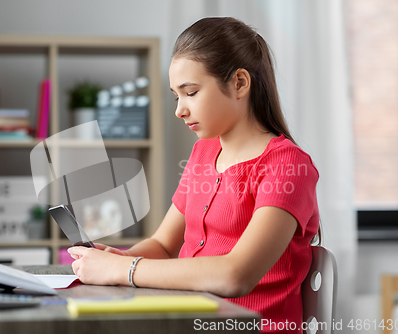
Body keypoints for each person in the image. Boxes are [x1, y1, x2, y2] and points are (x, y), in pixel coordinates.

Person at [68, 17, 320, 333]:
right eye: (177, 95)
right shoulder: (204, 153)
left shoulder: (287, 166)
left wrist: (124, 269)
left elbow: (235, 276)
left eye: (191, 92)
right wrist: (117, 259)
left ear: (240, 83)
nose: (179, 110)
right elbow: (162, 245)